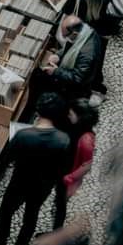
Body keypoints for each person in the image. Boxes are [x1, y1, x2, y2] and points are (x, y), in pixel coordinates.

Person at [0, 93, 70, 245]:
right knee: (31, 216)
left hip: (19, 182)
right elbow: (62, 169)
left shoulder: (24, 135)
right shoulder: (63, 140)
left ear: (38, 112)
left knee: (6, 212)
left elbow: (6, 159)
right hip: (43, 186)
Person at [53, 99, 98, 230]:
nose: (68, 116)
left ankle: (56, 233)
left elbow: (87, 165)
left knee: (61, 205)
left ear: (80, 117)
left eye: (71, 114)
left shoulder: (86, 141)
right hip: (64, 169)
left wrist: (70, 178)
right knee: (59, 202)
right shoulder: (77, 128)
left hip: (68, 176)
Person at [36, 16, 103, 103]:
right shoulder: (84, 32)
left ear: (74, 34)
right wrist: (58, 55)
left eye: (66, 36)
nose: (64, 38)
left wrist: (55, 71)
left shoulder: (86, 55)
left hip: (75, 89)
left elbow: (77, 78)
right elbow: (69, 46)